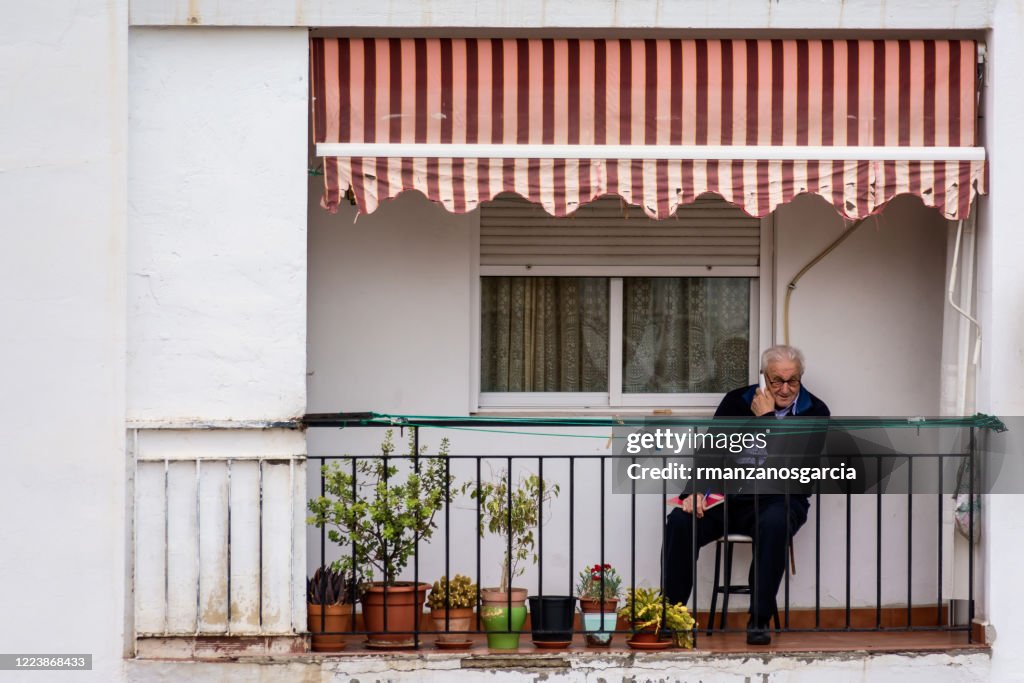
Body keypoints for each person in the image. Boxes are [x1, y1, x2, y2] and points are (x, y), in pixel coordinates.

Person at [662, 344, 830, 645]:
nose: (785, 388)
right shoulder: (737, 401)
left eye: (793, 380)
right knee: (679, 522)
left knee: (776, 524)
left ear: (801, 378)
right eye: (777, 380)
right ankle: (671, 616)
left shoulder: (815, 411)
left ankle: (759, 620)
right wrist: (696, 492)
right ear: (764, 377)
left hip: (781, 498)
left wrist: (766, 420)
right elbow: (709, 452)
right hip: (730, 496)